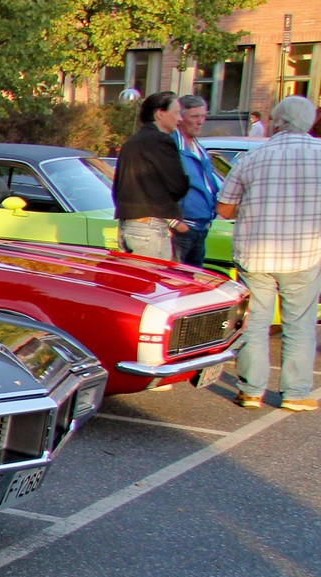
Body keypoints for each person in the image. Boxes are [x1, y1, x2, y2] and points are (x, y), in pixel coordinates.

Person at [216, 95, 321, 412]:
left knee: (255, 322)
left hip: (255, 254)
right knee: (299, 325)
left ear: (277, 122)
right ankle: (295, 393)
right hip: (304, 254)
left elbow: (224, 208)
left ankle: (250, 390)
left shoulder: (253, 158)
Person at [111, 90, 190, 260]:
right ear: (160, 114)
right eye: (176, 113)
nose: (180, 119)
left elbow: (118, 187)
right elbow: (177, 186)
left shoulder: (132, 141)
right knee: (154, 276)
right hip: (150, 227)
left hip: (129, 224)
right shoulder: (160, 141)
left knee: (135, 276)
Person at [173, 94, 221, 268]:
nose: (200, 122)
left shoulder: (200, 148)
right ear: (180, 118)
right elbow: (159, 187)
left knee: (193, 280)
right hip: (182, 228)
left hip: (201, 227)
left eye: (203, 116)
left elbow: (209, 184)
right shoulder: (172, 147)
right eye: (195, 116)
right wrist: (175, 223)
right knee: (174, 279)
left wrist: (210, 219)